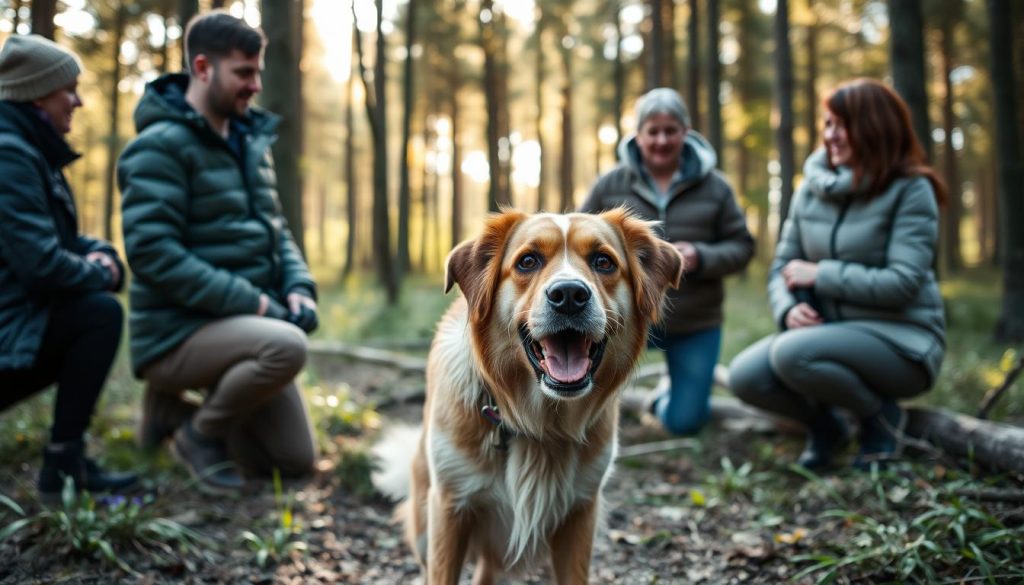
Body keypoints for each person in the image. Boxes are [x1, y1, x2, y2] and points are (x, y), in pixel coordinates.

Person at [118, 11, 319, 494]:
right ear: (203, 67)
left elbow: (278, 231)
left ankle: (172, 411)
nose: (254, 86)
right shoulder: (157, 148)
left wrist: (297, 287)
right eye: (243, 73)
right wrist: (254, 303)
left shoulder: (250, 143)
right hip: (176, 332)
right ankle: (198, 434)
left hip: (244, 327)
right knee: (286, 347)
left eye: (258, 72)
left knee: (292, 460)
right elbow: (153, 253)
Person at [729, 79, 947, 470]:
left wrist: (821, 274)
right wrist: (787, 310)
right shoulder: (810, 189)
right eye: (827, 124)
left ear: (873, 127)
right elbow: (783, 266)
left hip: (902, 341)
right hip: (826, 334)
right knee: (745, 376)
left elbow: (904, 282)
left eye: (840, 125)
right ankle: (827, 427)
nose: (830, 135)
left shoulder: (911, 190)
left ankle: (881, 419)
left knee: (792, 353)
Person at [0, 34, 137, 499]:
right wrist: (103, 273)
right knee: (98, 314)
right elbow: (41, 265)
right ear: (38, 91)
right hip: (7, 334)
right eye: (69, 89)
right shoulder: (10, 153)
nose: (77, 101)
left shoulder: (27, 147)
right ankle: (63, 468)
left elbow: (61, 239)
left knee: (96, 308)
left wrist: (105, 255)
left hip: (12, 323)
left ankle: (66, 462)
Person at [580, 88, 754, 435]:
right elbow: (575, 246)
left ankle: (660, 400)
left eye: (670, 131)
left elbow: (742, 246)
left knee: (685, 422)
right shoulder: (610, 184)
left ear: (685, 132)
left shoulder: (716, 187)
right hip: (625, 319)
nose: (661, 140)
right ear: (638, 135)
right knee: (584, 403)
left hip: (694, 322)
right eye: (653, 131)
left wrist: (702, 257)